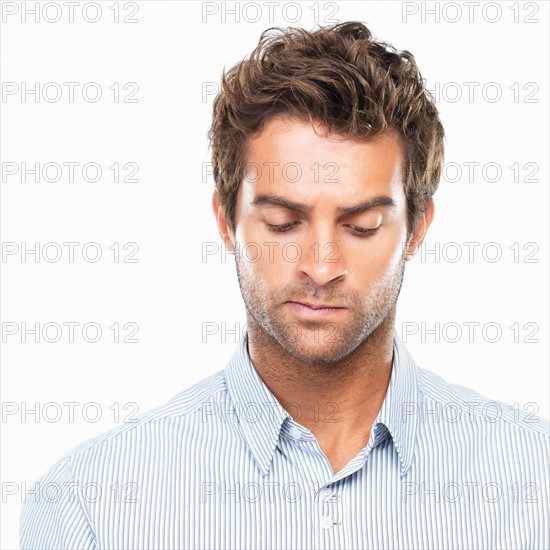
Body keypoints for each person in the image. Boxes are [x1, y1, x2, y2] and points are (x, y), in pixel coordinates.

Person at [20, 21, 549, 549]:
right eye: (282, 223)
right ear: (226, 222)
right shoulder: (88, 505)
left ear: (418, 228)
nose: (320, 267)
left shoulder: (535, 482)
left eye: (361, 225)